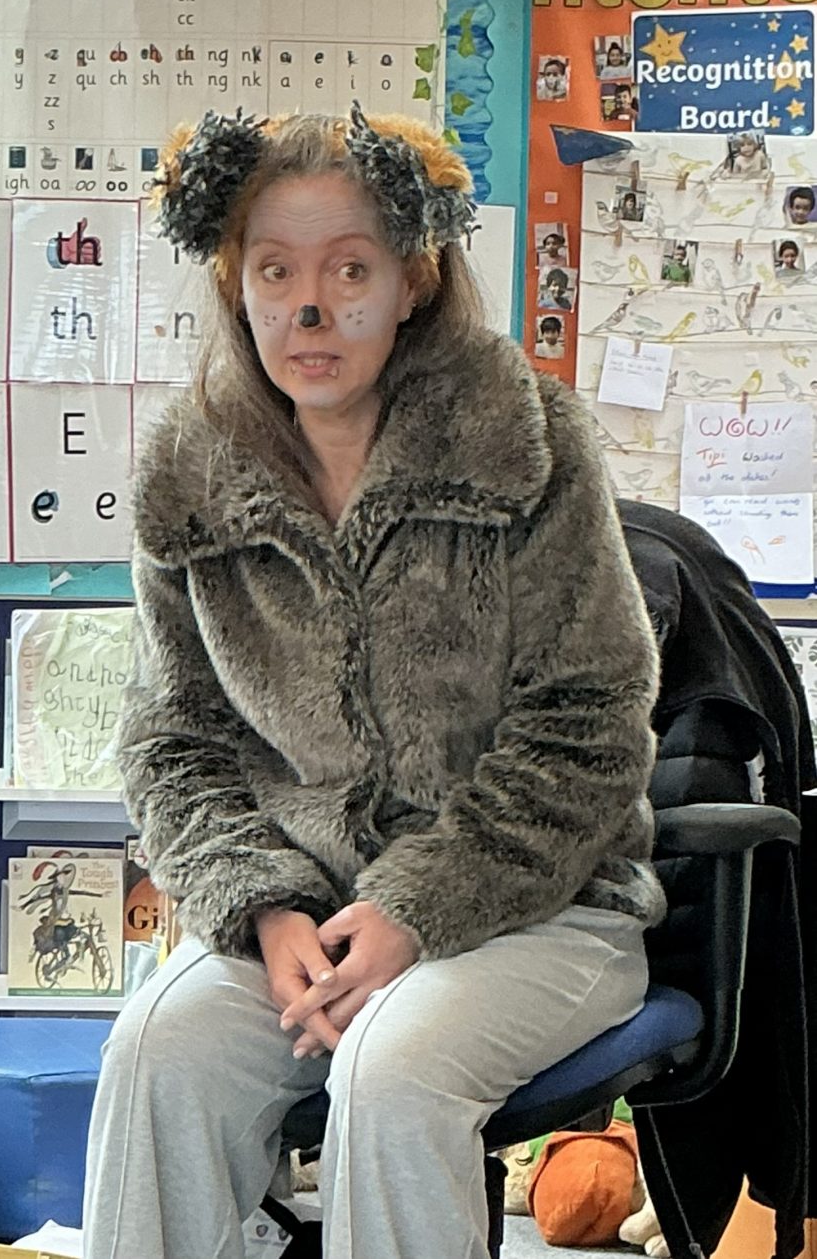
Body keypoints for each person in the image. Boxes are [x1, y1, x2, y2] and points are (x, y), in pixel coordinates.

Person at [83, 104, 663, 1259]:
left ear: (412, 281)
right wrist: (260, 907)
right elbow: (172, 740)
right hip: (301, 915)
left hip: (544, 907)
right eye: (275, 270)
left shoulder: (525, 441)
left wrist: (416, 907)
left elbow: (590, 721)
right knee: (158, 1048)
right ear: (235, 284)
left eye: (349, 269)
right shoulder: (190, 471)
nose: (309, 309)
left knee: (393, 1069)